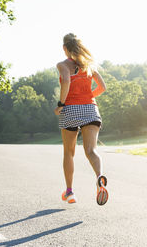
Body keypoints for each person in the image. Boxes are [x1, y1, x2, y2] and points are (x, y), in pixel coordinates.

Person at [54, 33, 108, 206]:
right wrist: (86, 98)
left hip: (70, 110)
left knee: (69, 152)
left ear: (64, 48)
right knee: (91, 151)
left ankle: (69, 192)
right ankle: (100, 177)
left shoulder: (62, 65)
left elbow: (66, 82)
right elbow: (102, 87)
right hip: (91, 109)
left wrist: (61, 103)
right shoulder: (88, 64)